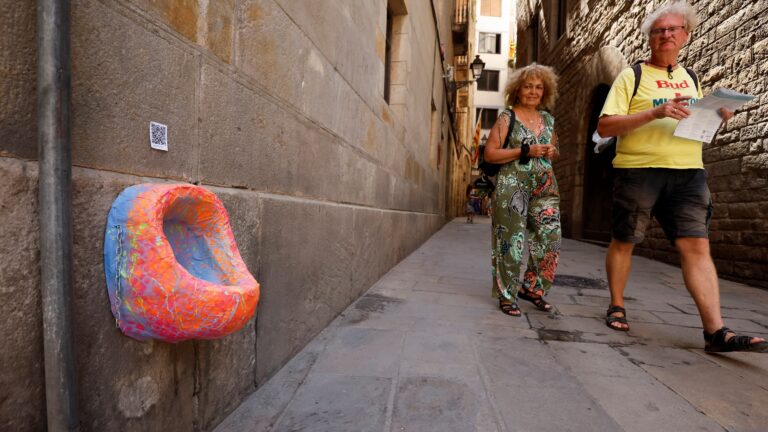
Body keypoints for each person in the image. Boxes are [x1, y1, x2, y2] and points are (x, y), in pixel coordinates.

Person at [597, 1, 767, 352]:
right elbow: (606, 125)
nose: (666, 35)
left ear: (686, 35)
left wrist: (715, 116)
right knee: (625, 240)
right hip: (639, 170)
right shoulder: (632, 76)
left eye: (673, 30)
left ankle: (715, 332)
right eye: (659, 31)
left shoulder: (691, 78)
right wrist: (654, 111)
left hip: (688, 172)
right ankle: (616, 304)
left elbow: (692, 122)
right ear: (650, 38)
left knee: (697, 245)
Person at [483, 63, 561, 317]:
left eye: (539, 87)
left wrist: (551, 151)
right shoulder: (508, 117)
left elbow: (554, 150)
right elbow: (491, 154)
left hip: (545, 188)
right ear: (517, 90)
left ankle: (532, 288)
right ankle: (507, 295)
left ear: (545, 91)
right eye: (528, 86)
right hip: (512, 186)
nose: (533, 91)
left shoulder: (548, 119)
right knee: (511, 241)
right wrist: (524, 150)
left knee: (550, 239)